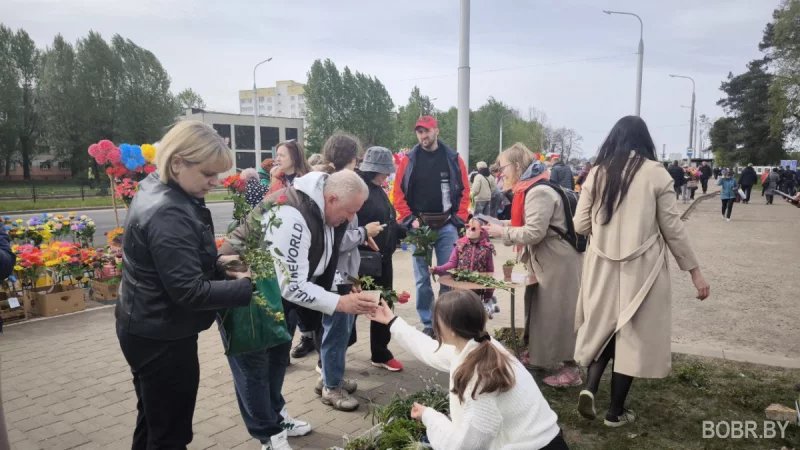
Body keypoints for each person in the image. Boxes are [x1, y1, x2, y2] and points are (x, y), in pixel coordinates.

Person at [116, 121, 255, 449]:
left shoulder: (159, 186)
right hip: (162, 336)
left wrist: (225, 264)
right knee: (171, 433)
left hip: (145, 324)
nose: (214, 182)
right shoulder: (169, 211)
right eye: (208, 173)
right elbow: (189, 291)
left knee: (153, 419)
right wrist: (247, 286)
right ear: (178, 162)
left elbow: (184, 261)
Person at [221, 169, 379, 449]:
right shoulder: (292, 215)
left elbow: (323, 257)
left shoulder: (321, 208)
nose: (352, 218)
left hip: (273, 296)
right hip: (249, 298)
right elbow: (290, 285)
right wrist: (339, 302)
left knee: (277, 361)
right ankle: (269, 437)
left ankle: (277, 417)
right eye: (350, 211)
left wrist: (346, 285)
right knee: (255, 369)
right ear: (331, 198)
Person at [572, 116, 710, 427]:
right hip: (643, 270)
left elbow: (579, 225)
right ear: (644, 140)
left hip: (601, 267)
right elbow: (673, 229)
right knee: (631, 337)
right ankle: (615, 412)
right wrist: (695, 273)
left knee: (603, 328)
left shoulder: (597, 173)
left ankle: (591, 387)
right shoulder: (656, 174)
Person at [366, 290, 570, 450]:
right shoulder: (481, 346)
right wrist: (392, 322)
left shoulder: (480, 376)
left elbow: (467, 446)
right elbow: (429, 350)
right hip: (544, 441)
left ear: (451, 330)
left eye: (437, 321)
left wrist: (430, 416)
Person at [483, 144, 583, 388]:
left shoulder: (537, 192)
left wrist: (501, 231)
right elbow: (531, 222)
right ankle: (539, 355)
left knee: (560, 314)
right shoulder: (534, 188)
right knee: (542, 312)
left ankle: (572, 369)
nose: (500, 173)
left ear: (517, 166)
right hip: (550, 260)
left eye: (503, 167)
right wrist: (501, 223)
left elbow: (535, 232)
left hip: (558, 263)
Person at [313, 133, 383, 412]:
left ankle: (332, 377)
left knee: (340, 331)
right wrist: (364, 232)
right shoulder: (334, 193)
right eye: (357, 160)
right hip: (336, 277)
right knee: (337, 332)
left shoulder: (335, 189)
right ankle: (331, 386)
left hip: (345, 274)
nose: (359, 166)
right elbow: (338, 241)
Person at [393, 115, 471, 338]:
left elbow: (465, 190)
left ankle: (446, 320)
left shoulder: (453, 158)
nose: (423, 136)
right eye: (419, 132)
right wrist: (409, 219)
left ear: (436, 131)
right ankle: (428, 322)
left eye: (426, 131)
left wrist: (458, 219)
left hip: (447, 225)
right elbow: (397, 193)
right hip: (419, 228)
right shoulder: (409, 160)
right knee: (422, 279)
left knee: (448, 276)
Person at [357, 146, 406, 373]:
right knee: (353, 305)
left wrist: (404, 230)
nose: (388, 175)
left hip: (383, 259)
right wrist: (362, 235)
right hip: (363, 259)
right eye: (385, 171)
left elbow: (387, 222)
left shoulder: (378, 189)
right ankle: (329, 356)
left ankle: (380, 352)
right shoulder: (360, 190)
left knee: (383, 303)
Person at [431, 218, 499, 318]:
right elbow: (451, 264)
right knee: (459, 313)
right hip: (460, 288)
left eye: (473, 228)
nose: (469, 230)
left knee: (475, 315)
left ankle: (488, 307)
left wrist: (488, 294)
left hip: (477, 290)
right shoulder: (459, 245)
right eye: (467, 227)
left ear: (482, 231)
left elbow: (490, 272)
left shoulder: (487, 249)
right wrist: (437, 269)